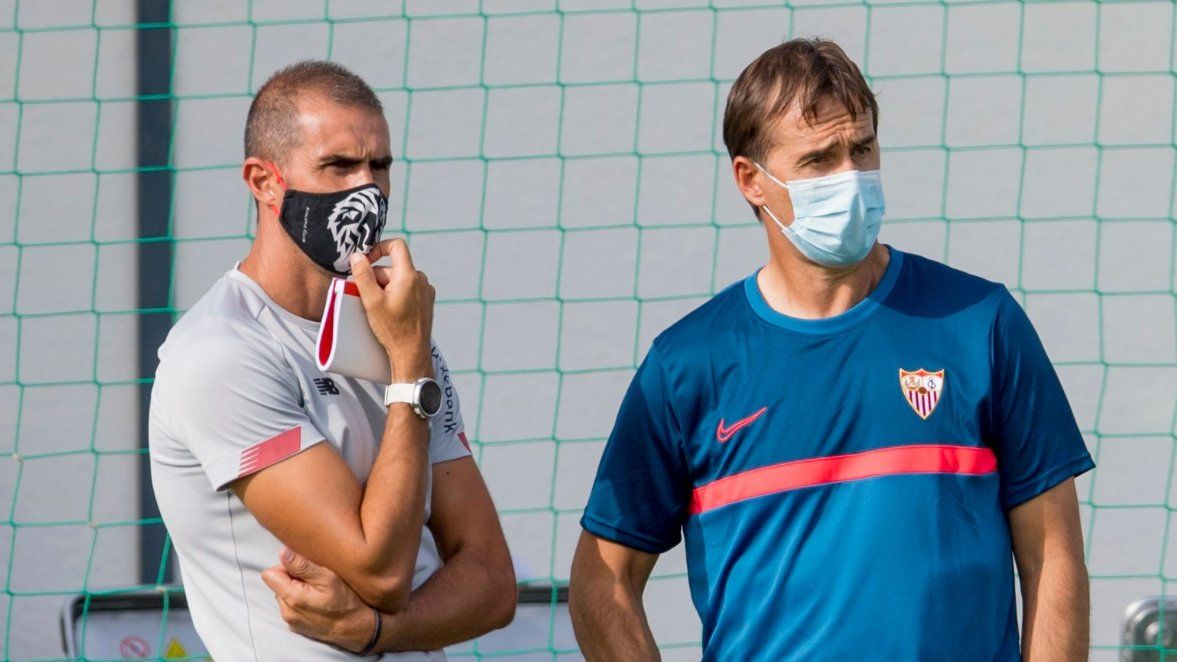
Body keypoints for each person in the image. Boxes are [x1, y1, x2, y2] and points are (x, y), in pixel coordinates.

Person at [569, 39, 1093, 661]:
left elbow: (1053, 556)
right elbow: (602, 583)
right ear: (750, 181)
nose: (850, 177)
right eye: (819, 159)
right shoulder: (688, 365)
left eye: (862, 149)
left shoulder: (979, 323)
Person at [149, 61, 516, 659]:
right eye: (338, 166)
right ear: (264, 182)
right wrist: (407, 378)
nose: (366, 188)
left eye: (381, 166)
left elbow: (494, 584)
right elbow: (382, 569)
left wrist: (382, 634)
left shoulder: (399, 336)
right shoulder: (221, 353)